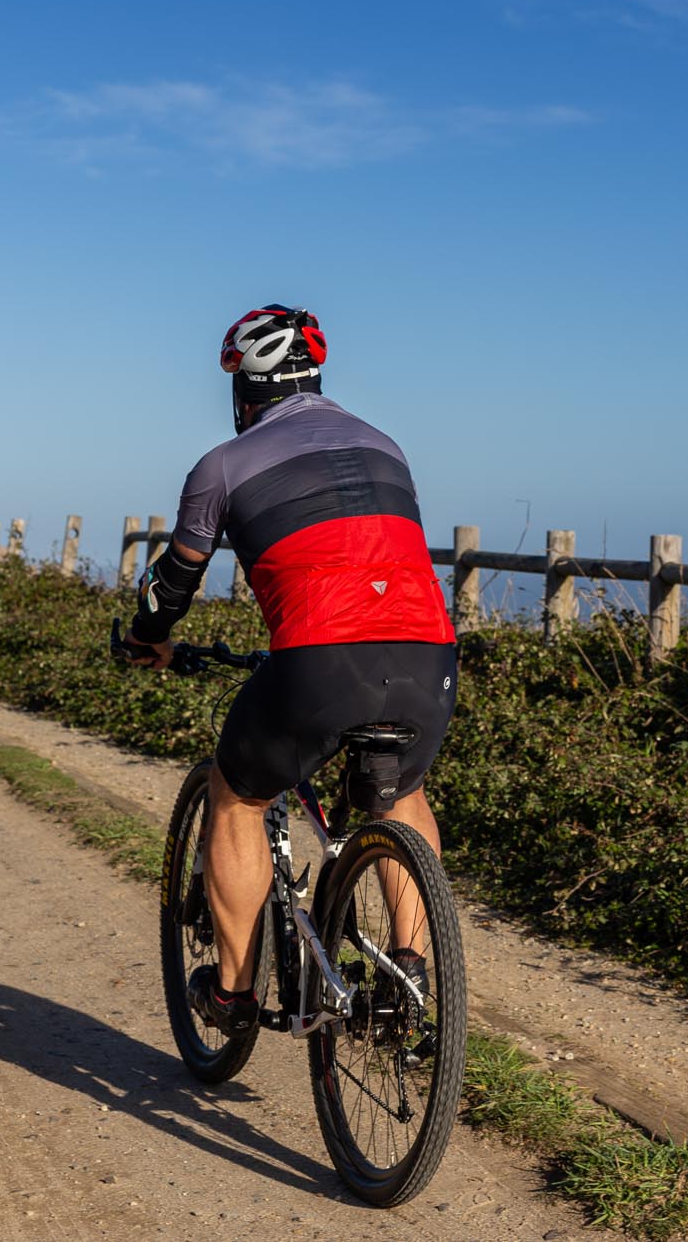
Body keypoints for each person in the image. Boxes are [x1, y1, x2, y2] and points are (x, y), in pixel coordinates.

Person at [123, 304, 458, 1037]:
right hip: (429, 655)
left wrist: (147, 637)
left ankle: (235, 993)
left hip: (317, 662)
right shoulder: (386, 446)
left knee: (236, 792)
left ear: (245, 388)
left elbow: (173, 584)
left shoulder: (221, 465)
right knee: (399, 791)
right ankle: (411, 976)